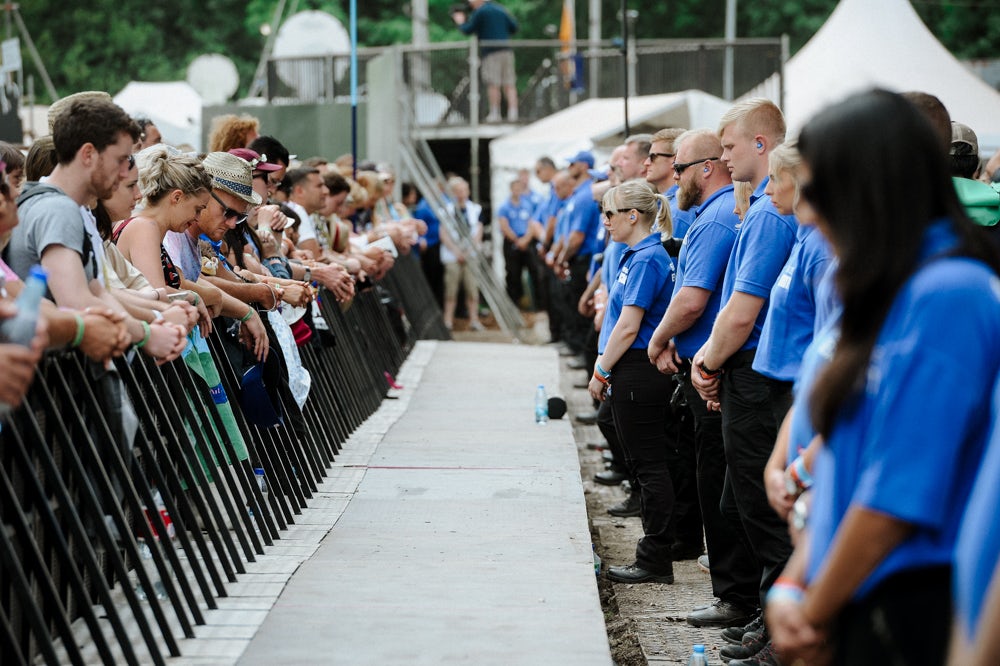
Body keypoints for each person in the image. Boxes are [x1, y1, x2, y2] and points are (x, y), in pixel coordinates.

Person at [765, 89, 1000, 666]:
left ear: (868, 187)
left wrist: (814, 607)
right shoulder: (884, 284)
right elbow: (845, 462)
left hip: (905, 601)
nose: (808, 210)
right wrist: (794, 584)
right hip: (853, 587)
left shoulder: (949, 294)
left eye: (817, 189)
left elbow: (896, 498)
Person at [689, 100, 798, 651]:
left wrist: (706, 362)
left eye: (729, 146)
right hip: (755, 371)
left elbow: (741, 310)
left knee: (758, 504)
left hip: (757, 375)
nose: (723, 156)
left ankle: (779, 630)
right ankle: (766, 615)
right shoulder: (762, 207)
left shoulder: (770, 214)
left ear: (761, 144)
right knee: (743, 501)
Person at [647, 128, 759, 631]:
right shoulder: (715, 215)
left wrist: (659, 338)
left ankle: (735, 595)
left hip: (713, 368)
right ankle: (738, 592)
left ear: (705, 168)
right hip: (709, 362)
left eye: (679, 168)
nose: (674, 178)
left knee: (719, 482)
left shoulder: (713, 221)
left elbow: (694, 299)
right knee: (719, 480)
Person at [589, 179, 677, 585]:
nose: (605, 221)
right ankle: (655, 552)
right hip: (633, 367)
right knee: (647, 464)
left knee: (649, 466)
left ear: (632, 216)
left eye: (609, 213)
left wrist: (601, 370)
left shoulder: (646, 259)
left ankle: (655, 557)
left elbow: (628, 326)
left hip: (638, 368)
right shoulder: (638, 255)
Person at [452, 0, 519, 123]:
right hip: (506, 51)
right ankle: (513, 113)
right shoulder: (500, 9)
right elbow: (514, 27)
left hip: (491, 52)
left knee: (493, 83)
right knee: (509, 84)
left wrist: (460, 22)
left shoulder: (480, 12)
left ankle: (495, 113)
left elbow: (468, 30)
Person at [440, 176, 484, 331]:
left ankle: (474, 319)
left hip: (470, 254)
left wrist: (468, 251)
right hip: (452, 255)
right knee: (451, 289)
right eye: (458, 191)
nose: (462, 194)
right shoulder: (446, 210)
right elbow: (443, 233)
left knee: (472, 288)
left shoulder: (476, 209)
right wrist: (456, 251)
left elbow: (478, 232)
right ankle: (448, 320)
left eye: (464, 190)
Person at [496, 177, 535, 307]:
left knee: (534, 271)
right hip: (511, 242)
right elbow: (504, 226)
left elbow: (531, 224)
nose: (517, 190)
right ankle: (513, 304)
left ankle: (536, 304)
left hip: (526, 241)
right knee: (513, 274)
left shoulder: (527, 205)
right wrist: (517, 240)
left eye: (520, 188)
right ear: (511, 189)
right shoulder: (504, 207)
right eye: (515, 188)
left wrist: (526, 240)